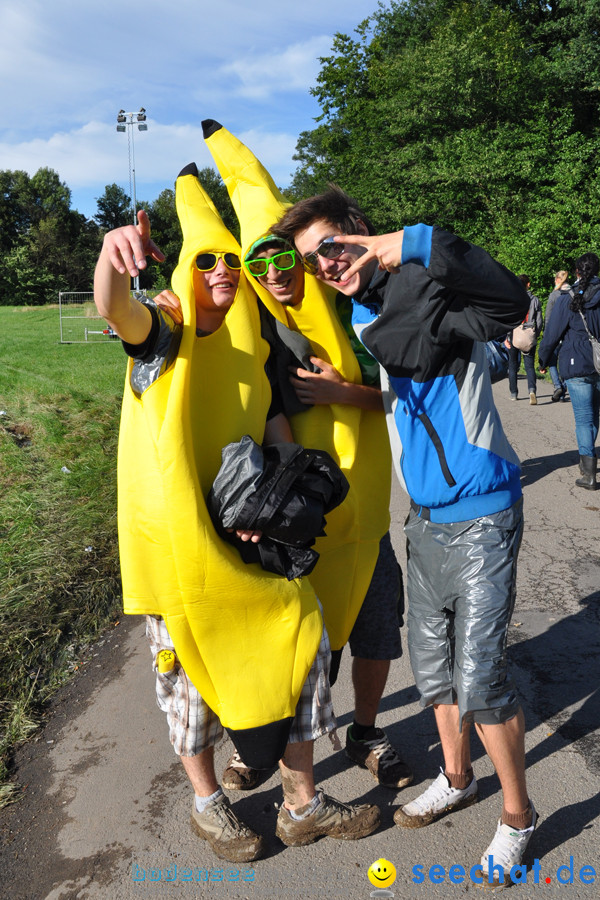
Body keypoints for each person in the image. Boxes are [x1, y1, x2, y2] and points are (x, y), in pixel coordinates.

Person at [93, 171, 380, 863]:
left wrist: (295, 501)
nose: (222, 270)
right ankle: (206, 804)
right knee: (189, 684)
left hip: (251, 540)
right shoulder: (164, 332)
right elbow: (115, 308)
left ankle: (303, 805)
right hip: (179, 550)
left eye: (230, 260)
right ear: (186, 274)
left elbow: (274, 429)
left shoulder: (251, 345)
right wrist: (111, 255)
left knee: (301, 645)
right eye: (205, 260)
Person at [274, 186, 537, 888]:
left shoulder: (428, 282)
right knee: (434, 670)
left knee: (481, 680)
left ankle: (519, 818)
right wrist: (343, 393)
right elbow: (402, 392)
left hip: (482, 512)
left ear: (362, 232)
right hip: (422, 520)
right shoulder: (361, 312)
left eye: (331, 246)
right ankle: (457, 777)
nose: (324, 265)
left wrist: (412, 239)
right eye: (312, 259)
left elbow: (514, 306)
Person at [200, 121, 412, 794]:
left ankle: (368, 732)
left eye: (282, 259)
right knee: (293, 643)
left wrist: (340, 390)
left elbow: (407, 395)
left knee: (378, 628)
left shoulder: (354, 313)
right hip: (298, 513)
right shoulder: (251, 331)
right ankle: (265, 743)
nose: (273, 273)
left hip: (367, 513)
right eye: (259, 265)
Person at [539, 253, 600, 490]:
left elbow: (552, 333)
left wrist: (544, 358)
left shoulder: (568, 298)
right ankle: (589, 463)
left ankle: (588, 472)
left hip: (576, 364)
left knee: (584, 419)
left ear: (576, 272)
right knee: (593, 416)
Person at [507, 275, 543, 404]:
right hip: (529, 334)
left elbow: (508, 319)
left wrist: (507, 336)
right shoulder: (535, 300)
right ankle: (532, 391)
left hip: (514, 334)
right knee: (529, 366)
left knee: (512, 366)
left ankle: (513, 393)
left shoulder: (512, 298)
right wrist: (535, 335)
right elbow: (539, 321)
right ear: (528, 284)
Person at [545, 269, 570, 401]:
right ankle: (564, 387)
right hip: (569, 334)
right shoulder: (574, 293)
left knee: (552, 361)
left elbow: (548, 317)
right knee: (565, 362)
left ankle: (557, 386)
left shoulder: (554, 295)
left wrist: (546, 335)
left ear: (558, 280)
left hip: (555, 333)